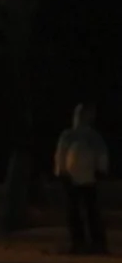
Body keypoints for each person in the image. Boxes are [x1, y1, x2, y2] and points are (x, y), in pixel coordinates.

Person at [54, 103, 109, 253]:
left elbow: (101, 154)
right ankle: (78, 242)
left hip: (89, 179)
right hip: (71, 179)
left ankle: (97, 243)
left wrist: (101, 170)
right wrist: (61, 172)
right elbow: (61, 154)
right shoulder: (68, 135)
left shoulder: (94, 137)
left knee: (92, 212)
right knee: (74, 213)